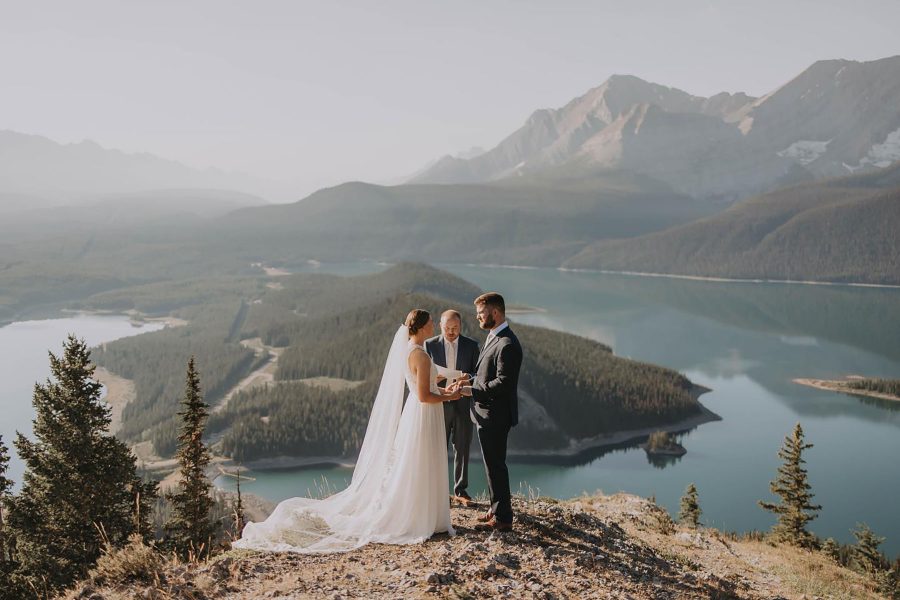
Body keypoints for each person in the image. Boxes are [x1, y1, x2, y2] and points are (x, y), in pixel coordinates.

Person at [233, 308, 462, 553]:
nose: (433, 327)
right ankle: (419, 517)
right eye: (430, 323)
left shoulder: (411, 351)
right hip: (423, 414)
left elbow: (423, 388)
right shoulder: (420, 354)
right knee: (421, 461)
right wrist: (453, 396)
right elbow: (425, 396)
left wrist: (448, 391)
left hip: (416, 413)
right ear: (419, 327)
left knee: (416, 462)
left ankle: (425, 514)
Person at [454, 292, 523, 531]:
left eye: (481, 314)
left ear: (495, 313)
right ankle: (496, 508)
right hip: (487, 414)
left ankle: (503, 519)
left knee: (496, 465)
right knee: (491, 464)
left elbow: (504, 384)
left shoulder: (508, 344)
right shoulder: (494, 336)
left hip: (496, 416)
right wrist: (470, 379)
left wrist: (471, 391)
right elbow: (488, 374)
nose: (478, 318)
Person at [424, 310, 480, 506]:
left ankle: (461, 491)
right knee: (438, 447)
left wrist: (468, 378)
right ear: (440, 326)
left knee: (462, 447)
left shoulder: (472, 346)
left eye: (455, 328)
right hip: (439, 403)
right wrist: (435, 379)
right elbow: (424, 375)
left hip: (464, 404)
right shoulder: (429, 345)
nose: (451, 332)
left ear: (460, 326)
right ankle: (438, 492)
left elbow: (478, 374)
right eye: (447, 328)